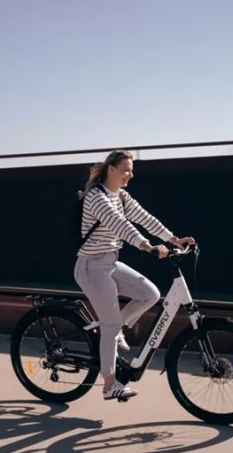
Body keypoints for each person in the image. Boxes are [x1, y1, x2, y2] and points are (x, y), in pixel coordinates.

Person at [74, 149, 196, 400]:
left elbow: (144, 218)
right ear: (111, 169)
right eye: (126, 170)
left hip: (110, 263)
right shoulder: (97, 197)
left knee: (149, 294)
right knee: (110, 325)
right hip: (91, 267)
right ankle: (110, 385)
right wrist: (146, 246)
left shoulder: (121, 196)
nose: (130, 175)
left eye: (131, 171)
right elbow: (120, 225)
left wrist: (173, 239)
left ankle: (112, 330)